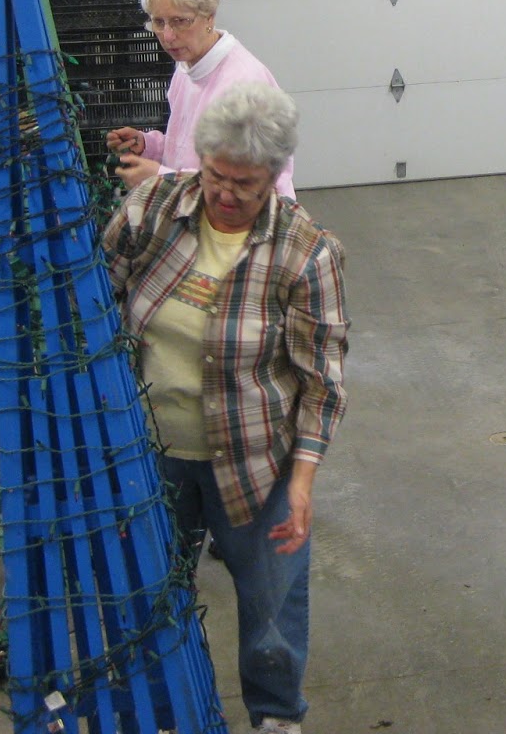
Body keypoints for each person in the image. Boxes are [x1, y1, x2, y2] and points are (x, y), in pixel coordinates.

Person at [104, 81, 348, 734]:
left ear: (273, 178)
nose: (226, 194)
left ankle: (276, 717)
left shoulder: (305, 251)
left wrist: (302, 483)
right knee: (150, 593)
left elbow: (322, 383)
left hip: (255, 462)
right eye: (216, 175)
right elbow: (100, 297)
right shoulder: (155, 207)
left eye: (245, 183)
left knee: (271, 608)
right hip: (152, 451)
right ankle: (158, 710)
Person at [107, 0, 295, 199]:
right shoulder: (187, 67)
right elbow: (188, 151)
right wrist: (149, 145)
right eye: (159, 22)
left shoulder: (242, 85)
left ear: (209, 18)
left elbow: (244, 188)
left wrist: (160, 178)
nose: (167, 36)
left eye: (180, 21)